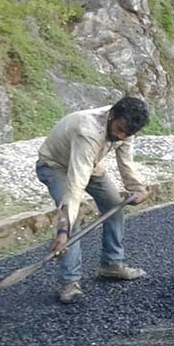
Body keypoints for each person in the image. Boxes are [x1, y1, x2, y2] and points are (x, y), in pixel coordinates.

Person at [36, 97, 151, 304]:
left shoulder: (125, 127)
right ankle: (69, 282)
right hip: (55, 165)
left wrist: (137, 188)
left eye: (127, 134)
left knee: (114, 205)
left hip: (90, 163)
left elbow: (126, 162)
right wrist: (64, 231)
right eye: (119, 129)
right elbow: (75, 187)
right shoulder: (88, 132)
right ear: (112, 116)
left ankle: (111, 264)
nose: (120, 136)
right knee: (74, 217)